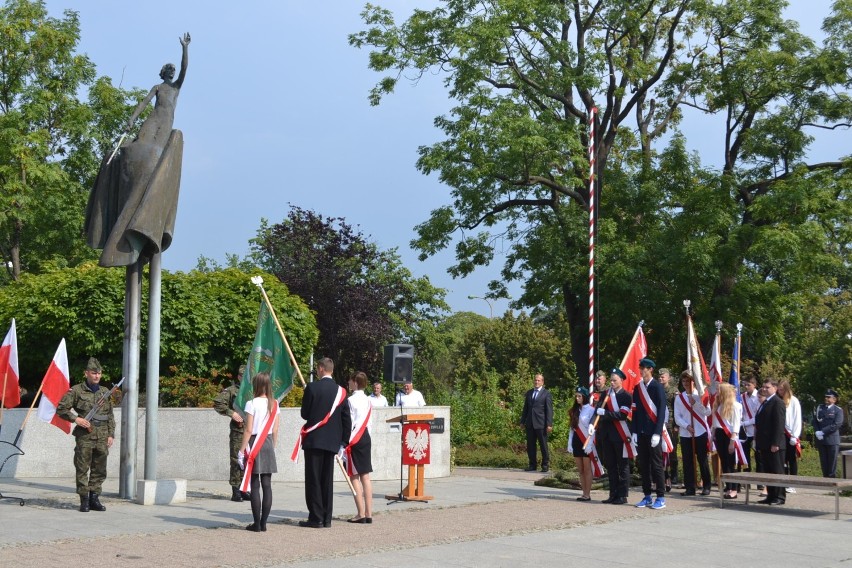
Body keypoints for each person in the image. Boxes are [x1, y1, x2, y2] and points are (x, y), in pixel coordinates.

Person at [85, 33, 191, 267]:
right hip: (152, 121)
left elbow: (186, 69)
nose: (172, 73)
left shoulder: (176, 88)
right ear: (163, 73)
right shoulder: (158, 87)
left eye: (173, 72)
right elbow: (143, 104)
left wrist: (185, 48)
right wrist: (131, 120)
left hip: (165, 125)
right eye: (169, 71)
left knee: (156, 156)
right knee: (138, 147)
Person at [56, 357, 116, 513]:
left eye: (99, 373)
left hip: (102, 436)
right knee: (82, 468)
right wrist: (77, 419)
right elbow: (61, 409)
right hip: (85, 436)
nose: (97, 376)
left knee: (100, 468)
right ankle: (84, 500)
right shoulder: (76, 390)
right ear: (86, 373)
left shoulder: (105, 392)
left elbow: (110, 415)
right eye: (93, 373)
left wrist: (111, 434)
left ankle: (94, 498)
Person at [298, 357, 351, 528]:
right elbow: (346, 420)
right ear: (332, 370)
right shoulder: (341, 392)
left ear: (321, 368)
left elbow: (305, 414)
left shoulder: (312, 387)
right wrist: (343, 442)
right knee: (327, 481)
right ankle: (327, 518)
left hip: (314, 440)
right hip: (332, 442)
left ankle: (316, 518)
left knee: (313, 480)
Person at [239, 372, 280, 532]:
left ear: (256, 385)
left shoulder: (251, 403)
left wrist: (241, 450)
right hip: (268, 442)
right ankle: (263, 523)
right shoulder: (275, 404)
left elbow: (248, 429)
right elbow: (276, 429)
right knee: (267, 485)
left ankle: (256, 524)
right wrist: (272, 446)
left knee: (254, 485)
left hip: (254, 443)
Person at [631, 358, 667, 509]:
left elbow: (661, 411)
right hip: (641, 432)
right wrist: (634, 431)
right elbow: (635, 411)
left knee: (657, 465)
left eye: (644, 368)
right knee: (644, 465)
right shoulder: (637, 388)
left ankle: (660, 496)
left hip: (653, 432)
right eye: (641, 367)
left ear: (651, 369)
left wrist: (658, 432)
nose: (642, 370)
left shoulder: (657, 387)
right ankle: (647, 496)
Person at [594, 368, 633, 504]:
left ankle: (622, 495)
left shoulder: (626, 396)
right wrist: (593, 424)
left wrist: (605, 414)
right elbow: (597, 411)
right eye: (610, 380)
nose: (612, 383)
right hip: (606, 435)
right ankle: (613, 493)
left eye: (614, 380)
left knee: (622, 466)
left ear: (621, 381)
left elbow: (622, 415)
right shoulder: (605, 394)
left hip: (620, 435)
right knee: (610, 465)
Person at [213, 365, 249, 502]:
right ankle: (236, 490)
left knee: (248, 460)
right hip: (238, 431)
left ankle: (244, 489)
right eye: (241, 375)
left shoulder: (253, 390)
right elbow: (218, 403)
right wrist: (231, 413)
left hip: (251, 430)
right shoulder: (232, 390)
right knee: (236, 459)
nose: (243, 378)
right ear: (238, 376)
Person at [674, 371, 712, 497]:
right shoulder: (679, 398)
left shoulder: (701, 396)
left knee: (702, 460)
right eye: (683, 381)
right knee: (687, 461)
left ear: (694, 382)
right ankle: (690, 487)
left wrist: (695, 403)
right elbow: (677, 416)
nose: (685, 384)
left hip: (700, 431)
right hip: (686, 433)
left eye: (688, 381)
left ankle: (706, 485)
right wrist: (687, 426)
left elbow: (707, 412)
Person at [344, 372, 374, 523]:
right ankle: (369, 514)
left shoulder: (350, 400)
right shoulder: (369, 400)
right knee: (365, 476)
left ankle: (360, 513)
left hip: (354, 438)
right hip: (366, 436)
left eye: (350, 380)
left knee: (354, 475)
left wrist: (344, 442)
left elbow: (349, 423)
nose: (348, 382)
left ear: (355, 382)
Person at [755, 378, 787, 505]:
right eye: (763, 387)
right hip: (765, 443)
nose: (764, 389)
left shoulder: (777, 402)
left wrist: (776, 443)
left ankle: (779, 497)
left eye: (767, 387)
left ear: (775, 388)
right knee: (768, 471)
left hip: (774, 444)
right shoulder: (766, 402)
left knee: (777, 471)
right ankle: (771, 495)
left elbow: (779, 425)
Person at [711, 383, 743, 499]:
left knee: (731, 463)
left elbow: (736, 424)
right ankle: (729, 486)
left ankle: (734, 489)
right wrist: (711, 438)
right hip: (719, 435)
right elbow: (715, 424)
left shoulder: (735, 405)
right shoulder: (719, 405)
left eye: (719, 390)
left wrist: (732, 441)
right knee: (724, 463)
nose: (717, 392)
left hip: (729, 436)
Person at [520, 374, 554, 472]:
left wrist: (549, 424)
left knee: (543, 445)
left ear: (542, 382)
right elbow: (525, 408)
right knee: (530, 445)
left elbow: (549, 410)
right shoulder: (529, 393)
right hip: (530, 423)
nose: (536, 382)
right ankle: (532, 464)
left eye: (539, 380)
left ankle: (545, 465)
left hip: (541, 424)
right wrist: (522, 421)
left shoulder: (546, 394)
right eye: (535, 380)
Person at [566, 386, 595, 501]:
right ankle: (583, 493)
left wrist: (590, 444)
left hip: (586, 441)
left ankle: (588, 494)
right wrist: (569, 443)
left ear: (584, 397)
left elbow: (593, 430)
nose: (577, 398)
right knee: (581, 470)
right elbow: (572, 428)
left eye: (579, 396)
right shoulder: (575, 410)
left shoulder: (591, 410)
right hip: (577, 441)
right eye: (576, 396)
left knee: (587, 469)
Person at [777, 380, 802, 495]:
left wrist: (795, 435)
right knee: (783, 459)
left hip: (791, 434)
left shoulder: (794, 401)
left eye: (781, 389)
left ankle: (792, 483)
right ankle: (785, 481)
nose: (779, 391)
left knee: (791, 459)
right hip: (781, 433)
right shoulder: (779, 400)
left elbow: (797, 419)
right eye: (778, 389)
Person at [813, 389, 845, 478]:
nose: (826, 398)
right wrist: (816, 431)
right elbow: (815, 421)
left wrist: (823, 431)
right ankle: (825, 481)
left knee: (832, 463)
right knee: (824, 463)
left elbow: (836, 424)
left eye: (828, 397)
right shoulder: (820, 408)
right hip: (821, 440)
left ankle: (831, 483)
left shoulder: (838, 410)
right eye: (825, 397)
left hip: (832, 440)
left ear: (834, 399)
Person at [658, 367, 679, 490]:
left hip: (670, 424)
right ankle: (663, 475)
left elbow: (677, 408)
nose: (661, 378)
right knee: (661, 451)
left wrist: (676, 425)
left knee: (672, 450)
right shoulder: (656, 389)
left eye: (663, 377)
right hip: (660, 424)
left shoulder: (673, 391)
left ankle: (674, 475)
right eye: (659, 377)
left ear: (668, 378)